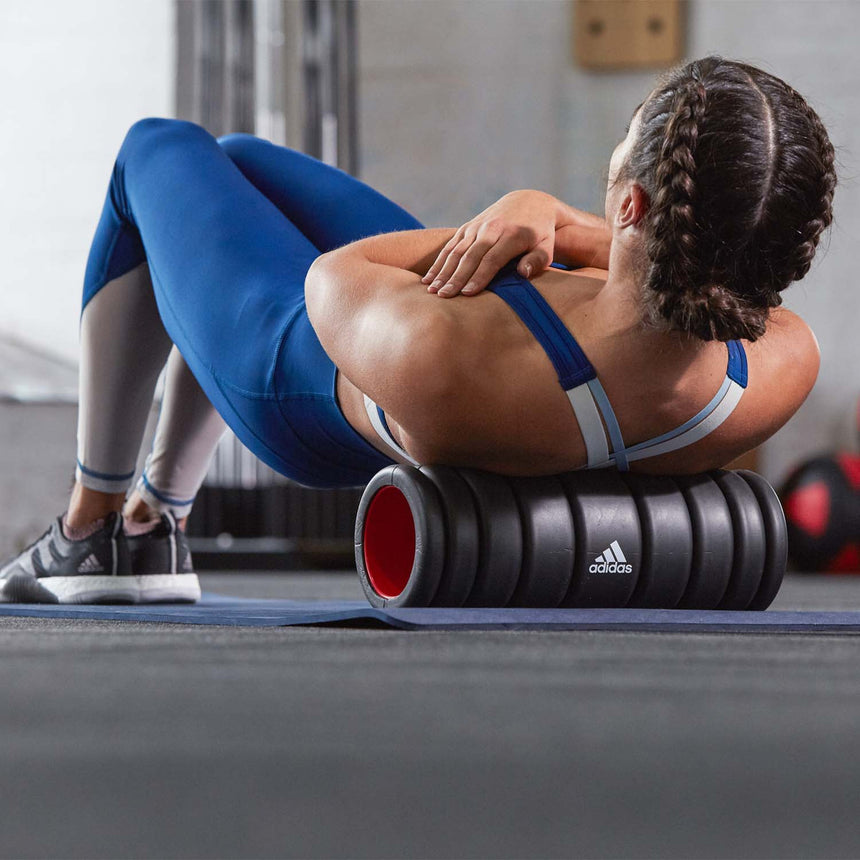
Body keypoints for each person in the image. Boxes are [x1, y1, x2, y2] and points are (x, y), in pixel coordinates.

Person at [0, 55, 836, 604]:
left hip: (301, 375)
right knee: (241, 158)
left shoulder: (446, 352)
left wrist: (523, 205)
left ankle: (92, 528)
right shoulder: (778, 366)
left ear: (631, 205)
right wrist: (565, 226)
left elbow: (332, 282)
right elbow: (665, 255)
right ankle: (157, 519)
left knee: (157, 150)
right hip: (471, 360)